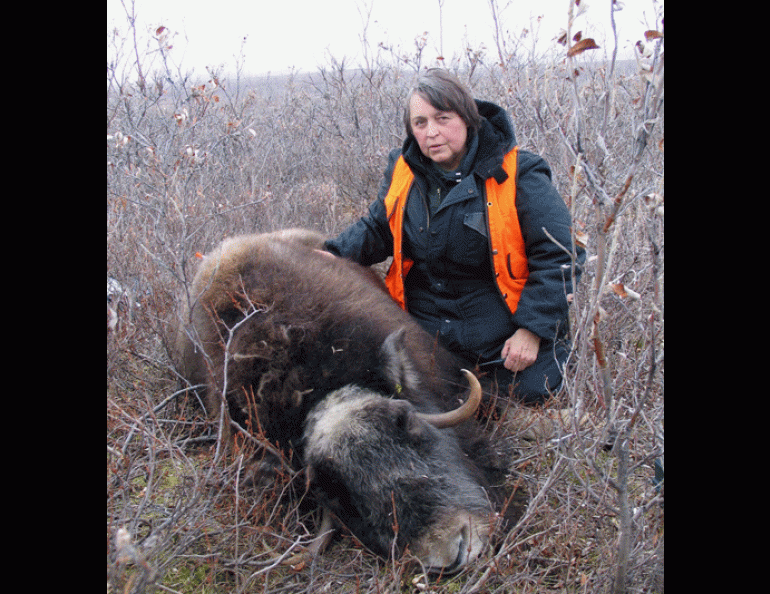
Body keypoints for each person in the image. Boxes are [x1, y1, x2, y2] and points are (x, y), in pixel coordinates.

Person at [324, 69, 584, 405]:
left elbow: (560, 254)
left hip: (502, 328)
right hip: (427, 324)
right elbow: (379, 228)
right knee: (395, 390)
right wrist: (331, 255)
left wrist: (531, 331)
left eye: (442, 118)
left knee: (530, 394)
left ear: (467, 118)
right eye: (420, 123)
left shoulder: (519, 172)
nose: (431, 132)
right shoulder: (403, 169)